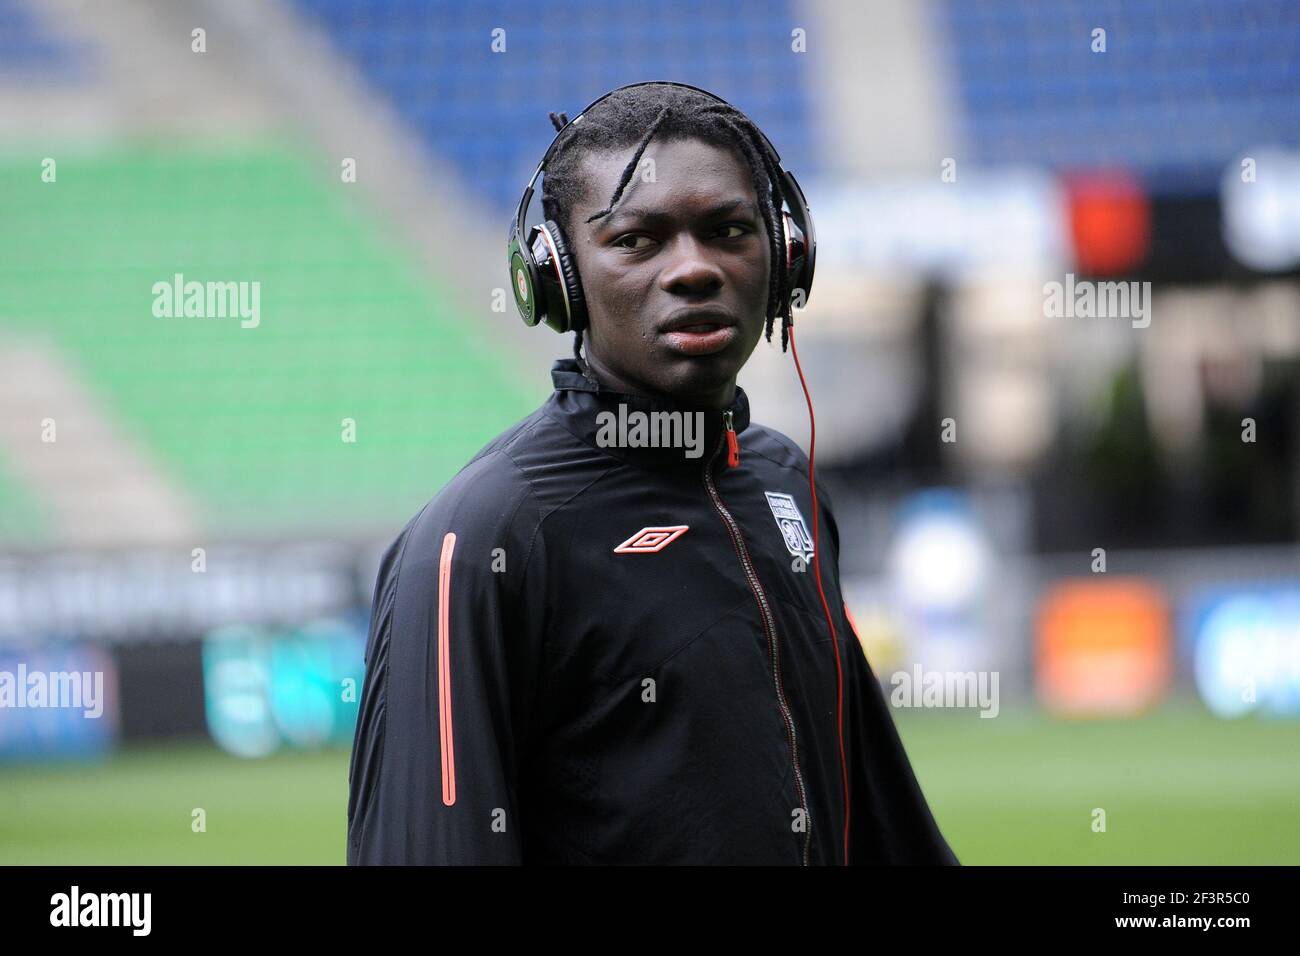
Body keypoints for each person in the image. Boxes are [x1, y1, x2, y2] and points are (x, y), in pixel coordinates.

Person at [347, 82, 957, 865]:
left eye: (729, 229)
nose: (694, 269)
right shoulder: (478, 540)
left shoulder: (785, 484)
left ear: (784, 254)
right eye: (637, 240)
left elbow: (883, 821)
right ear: (559, 279)